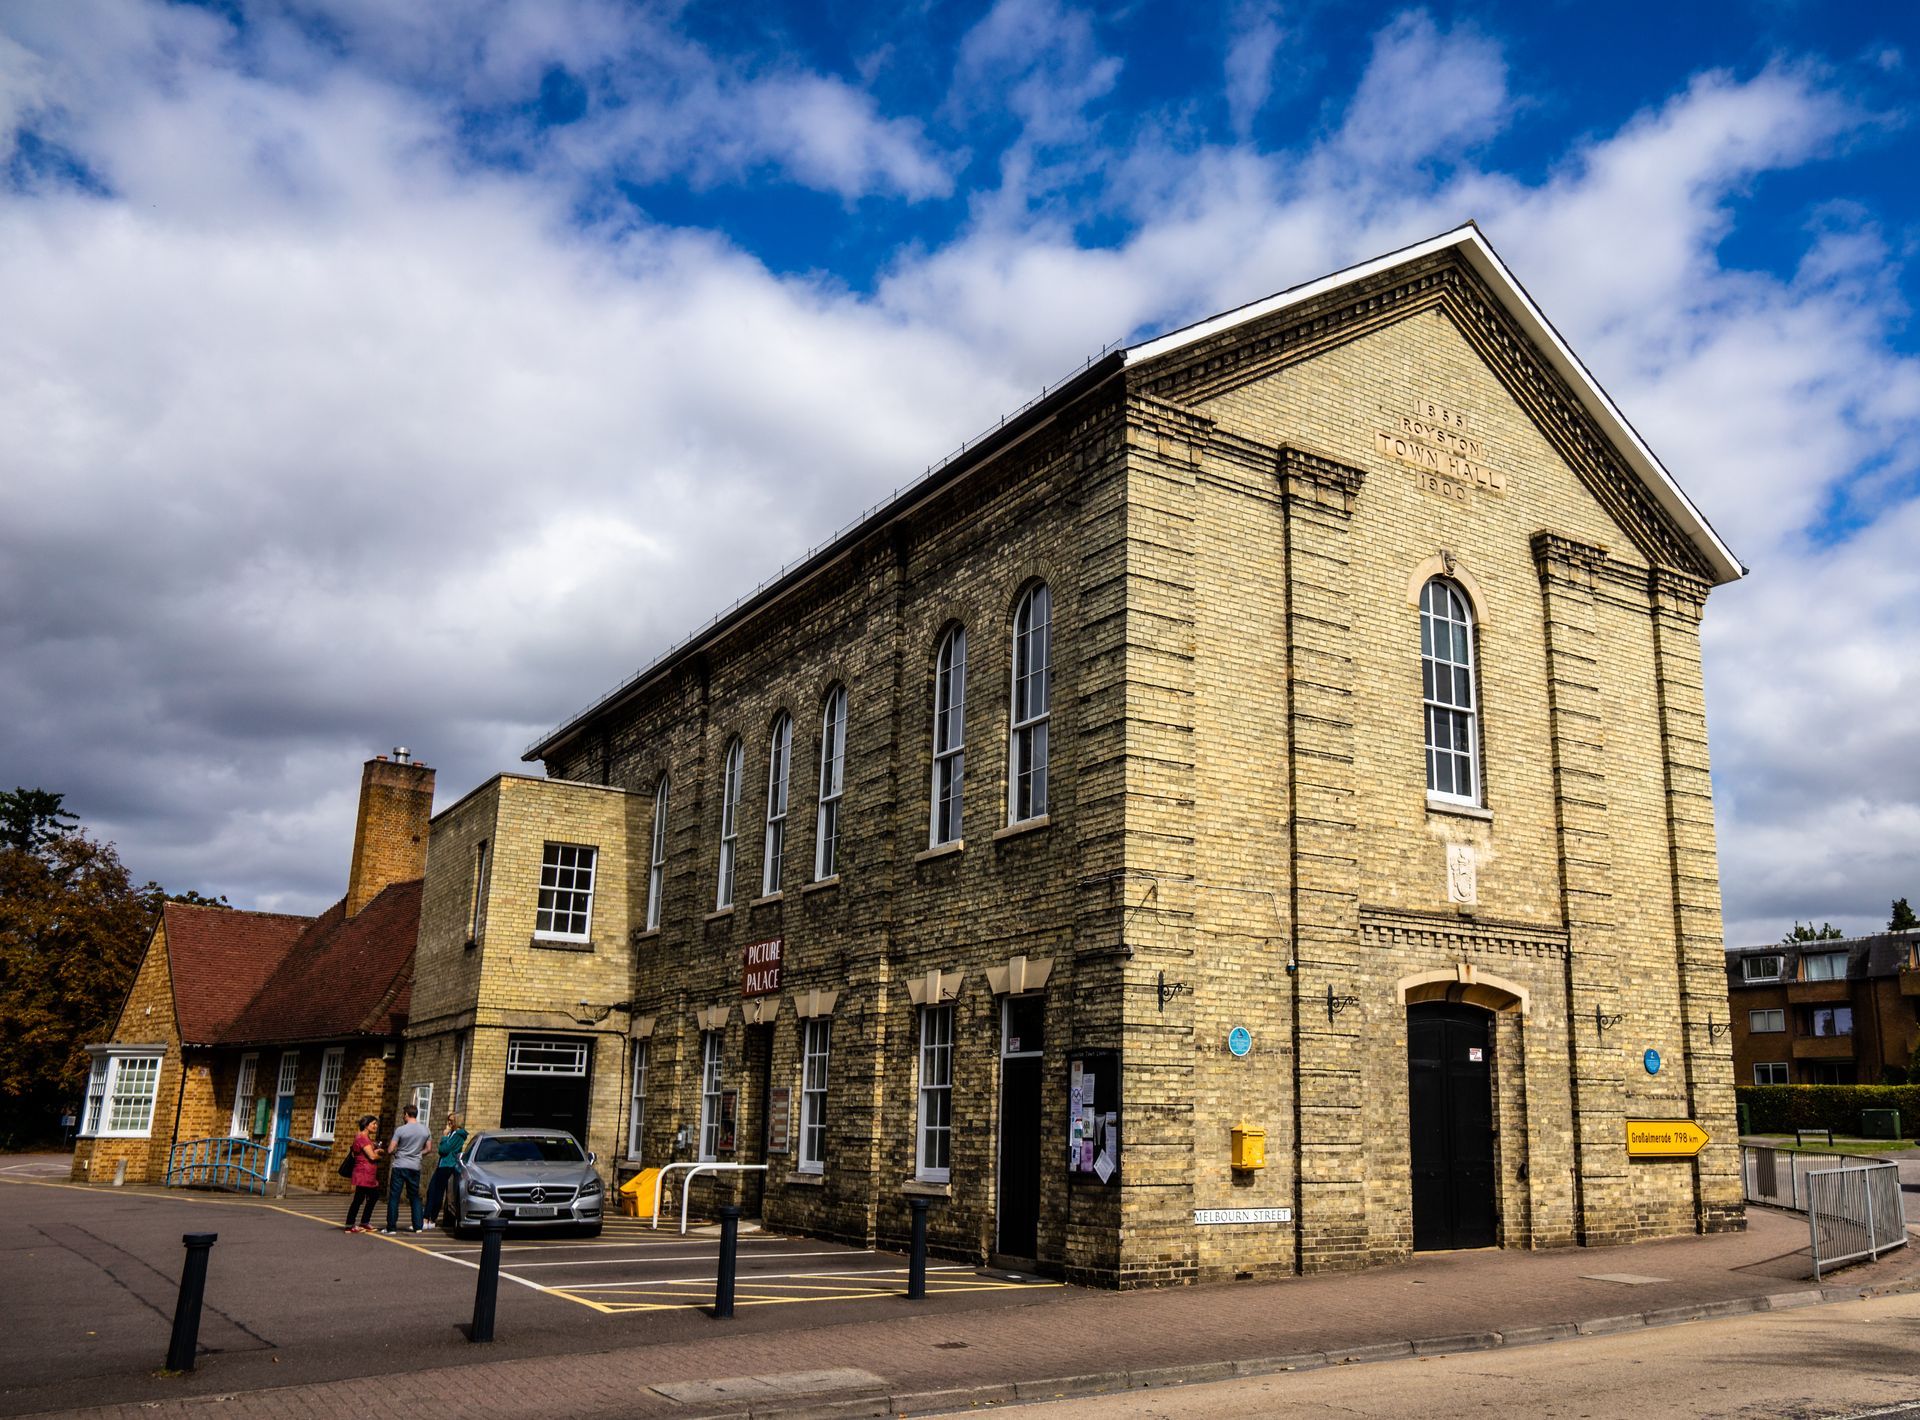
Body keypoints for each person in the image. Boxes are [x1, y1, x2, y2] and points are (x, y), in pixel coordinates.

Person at [381, 1103, 431, 1234]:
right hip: (415, 1166)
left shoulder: (400, 1130)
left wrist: (397, 1152)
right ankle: (418, 1226)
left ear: (407, 1115)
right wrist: (418, 1154)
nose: (403, 1117)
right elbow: (428, 1149)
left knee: (394, 1197)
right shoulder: (425, 1130)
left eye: (404, 1115)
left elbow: (390, 1149)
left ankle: (391, 1227)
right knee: (415, 1197)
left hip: (400, 1165)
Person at [423, 1111, 468, 1230]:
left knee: (437, 1192)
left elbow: (443, 1150)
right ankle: (426, 1218)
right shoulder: (452, 1134)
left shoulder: (458, 1135)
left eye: (451, 1121)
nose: (448, 1123)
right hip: (442, 1165)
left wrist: (444, 1137)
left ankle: (431, 1219)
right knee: (431, 1191)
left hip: (448, 1165)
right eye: (448, 1120)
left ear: (457, 1121)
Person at [343, 1115, 381, 1233]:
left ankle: (364, 1222)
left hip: (368, 1173)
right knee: (359, 1199)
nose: (376, 1126)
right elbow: (372, 1156)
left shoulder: (365, 1138)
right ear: (366, 1125)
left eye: (376, 1124)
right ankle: (350, 1225)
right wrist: (378, 1153)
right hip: (363, 1173)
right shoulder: (362, 1138)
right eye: (373, 1123)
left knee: (372, 1196)